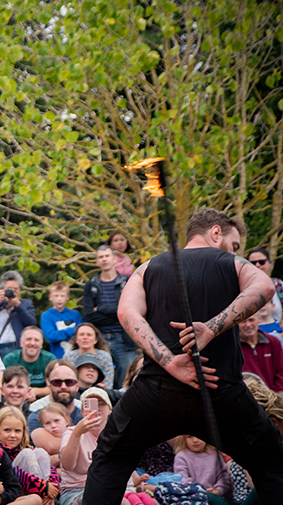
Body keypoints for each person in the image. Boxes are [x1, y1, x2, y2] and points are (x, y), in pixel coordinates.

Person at [84, 208, 283, 502]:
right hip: (221, 390)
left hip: (156, 391)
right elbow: (264, 286)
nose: (235, 251)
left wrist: (168, 362)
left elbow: (127, 313)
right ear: (216, 232)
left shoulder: (147, 267)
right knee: (272, 464)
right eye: (234, 244)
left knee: (110, 458)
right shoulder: (232, 263)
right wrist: (213, 329)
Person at [82, 244, 135, 385]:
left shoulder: (126, 282)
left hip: (123, 339)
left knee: (126, 380)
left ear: (114, 259)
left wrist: (100, 308)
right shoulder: (91, 285)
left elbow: (129, 311)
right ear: (97, 261)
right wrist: (118, 312)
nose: (104, 259)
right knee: (99, 379)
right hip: (99, 339)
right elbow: (89, 316)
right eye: (100, 257)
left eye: (107, 256)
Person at [60, 388, 124, 505]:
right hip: (76, 491)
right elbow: (67, 465)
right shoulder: (71, 432)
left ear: (110, 409)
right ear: (83, 410)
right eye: (89, 405)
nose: (96, 409)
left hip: (109, 488)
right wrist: (77, 433)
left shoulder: (115, 436)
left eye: (101, 404)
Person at [0, 406, 59, 504]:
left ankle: (45, 498)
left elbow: (50, 469)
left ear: (23, 432)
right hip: (12, 493)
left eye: (17, 431)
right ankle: (42, 495)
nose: (12, 435)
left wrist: (52, 487)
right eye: (7, 430)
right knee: (27, 453)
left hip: (36, 489)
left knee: (40, 452)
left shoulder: (27, 449)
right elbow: (14, 473)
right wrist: (43, 487)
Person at [28, 361, 84, 455]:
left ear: (77, 387)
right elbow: (51, 446)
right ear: (49, 386)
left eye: (69, 382)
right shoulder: (36, 416)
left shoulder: (85, 416)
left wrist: (55, 458)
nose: (63, 386)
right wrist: (81, 442)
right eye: (57, 382)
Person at [0, 271, 37, 359]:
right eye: (9, 289)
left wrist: (18, 305)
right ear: (2, 290)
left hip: (15, 348)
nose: (13, 292)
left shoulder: (26, 304)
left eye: (16, 289)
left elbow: (32, 323)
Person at [172, 435, 231, 504]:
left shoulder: (215, 454)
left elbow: (223, 479)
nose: (195, 440)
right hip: (191, 497)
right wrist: (199, 490)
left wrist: (218, 491)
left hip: (213, 496)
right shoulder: (181, 456)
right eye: (190, 436)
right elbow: (182, 478)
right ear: (184, 439)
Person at [2, 326, 55, 398]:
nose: (32, 343)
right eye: (28, 339)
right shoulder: (10, 360)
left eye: (36, 340)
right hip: (15, 398)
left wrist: (36, 391)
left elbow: (55, 387)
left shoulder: (50, 359)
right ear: (21, 342)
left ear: (41, 344)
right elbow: (3, 387)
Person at [62, 323, 116, 389]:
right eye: (81, 334)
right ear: (76, 339)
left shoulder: (104, 356)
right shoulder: (69, 357)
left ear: (95, 340)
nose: (85, 337)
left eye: (89, 335)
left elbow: (108, 381)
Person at [239, 312, 283, 392]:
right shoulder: (234, 347)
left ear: (259, 319)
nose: (248, 325)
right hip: (246, 399)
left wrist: (275, 397)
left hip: (274, 398)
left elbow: (281, 372)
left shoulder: (273, 342)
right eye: (243, 321)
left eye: (251, 320)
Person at [41, 281, 83, 359]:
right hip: (58, 357)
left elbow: (82, 333)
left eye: (62, 296)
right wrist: (72, 331)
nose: (59, 299)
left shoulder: (75, 314)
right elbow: (51, 336)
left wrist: (60, 334)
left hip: (77, 357)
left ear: (67, 297)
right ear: (50, 297)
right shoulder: (47, 315)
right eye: (56, 296)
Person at [248, 247, 283, 324]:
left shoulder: (279, 285)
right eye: (253, 263)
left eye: (261, 262)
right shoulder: (243, 287)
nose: (257, 265)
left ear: (269, 262)